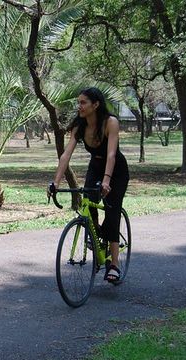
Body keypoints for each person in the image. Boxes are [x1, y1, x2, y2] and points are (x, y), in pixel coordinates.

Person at [49, 87, 129, 283]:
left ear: (96, 105)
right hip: (96, 166)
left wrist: (107, 181)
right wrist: (55, 182)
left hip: (116, 170)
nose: (79, 106)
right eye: (79, 102)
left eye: (83, 102)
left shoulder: (111, 123)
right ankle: (97, 239)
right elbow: (66, 155)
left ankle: (114, 264)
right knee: (88, 203)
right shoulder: (80, 126)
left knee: (112, 211)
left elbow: (111, 154)